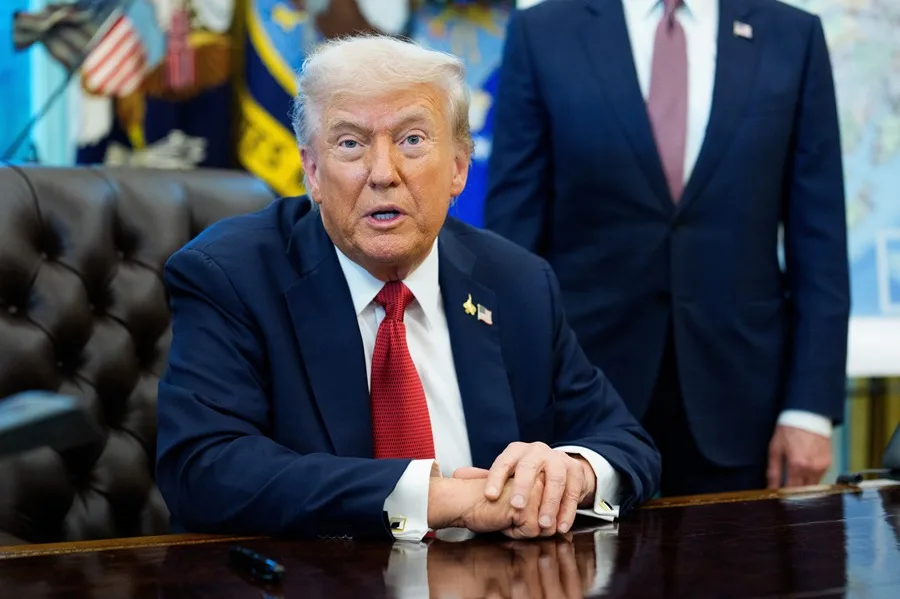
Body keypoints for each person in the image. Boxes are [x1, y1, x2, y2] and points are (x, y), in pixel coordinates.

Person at [155, 34, 660, 541]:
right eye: (350, 143)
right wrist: (438, 496)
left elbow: (625, 443)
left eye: (412, 140)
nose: (382, 173)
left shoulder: (517, 282)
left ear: (459, 167)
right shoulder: (231, 276)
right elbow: (204, 468)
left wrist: (572, 473)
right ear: (311, 169)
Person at [484, 0, 849, 495]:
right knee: (585, 575)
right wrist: (508, 401)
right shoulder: (542, 32)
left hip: (743, 407)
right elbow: (512, 241)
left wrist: (809, 409)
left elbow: (820, 239)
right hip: (581, 407)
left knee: (746, 570)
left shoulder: (792, 35)